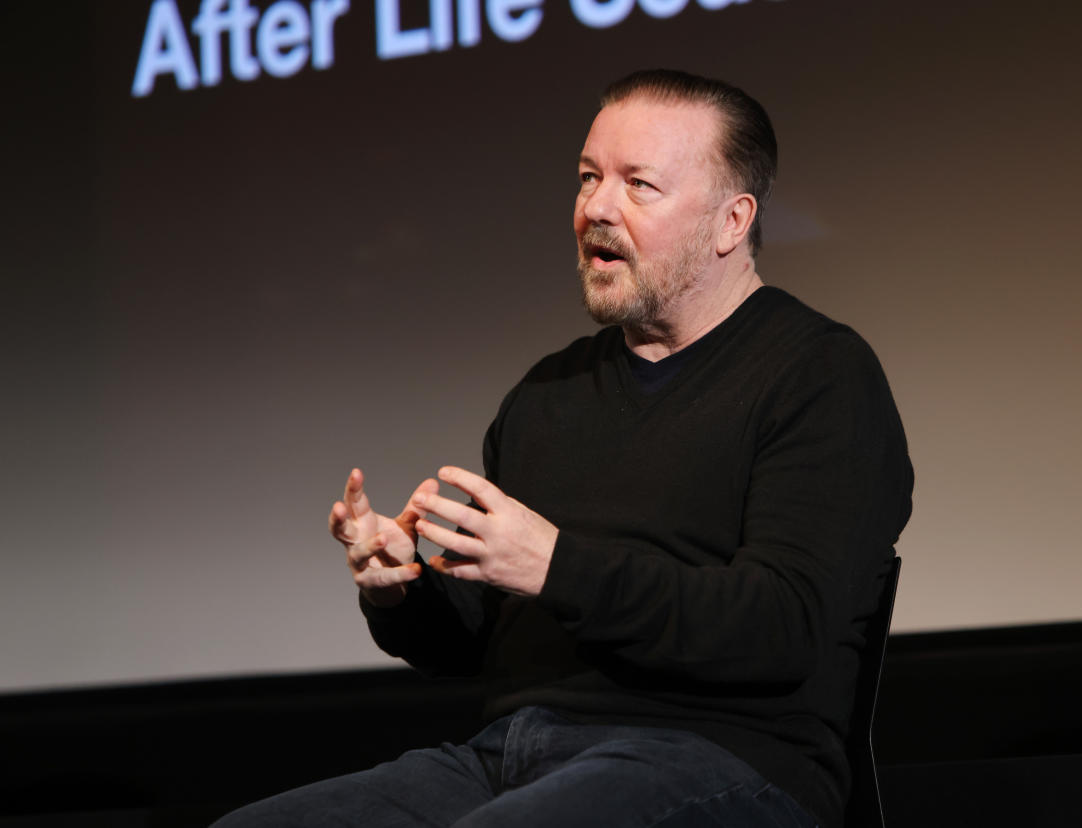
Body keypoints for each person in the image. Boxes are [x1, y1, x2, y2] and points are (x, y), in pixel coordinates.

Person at [215, 69, 913, 827]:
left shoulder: (817, 375)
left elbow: (784, 626)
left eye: (638, 185)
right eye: (588, 178)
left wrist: (557, 565)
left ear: (730, 221)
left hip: (724, 758)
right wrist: (402, 587)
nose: (595, 208)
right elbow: (483, 638)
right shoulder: (550, 393)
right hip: (510, 756)